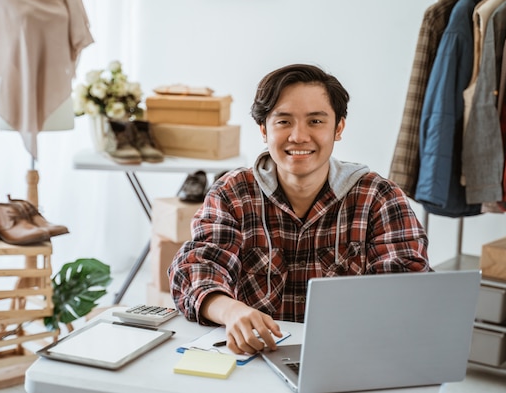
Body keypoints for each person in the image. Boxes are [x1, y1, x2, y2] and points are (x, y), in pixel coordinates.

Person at [168, 63, 430, 356]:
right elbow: (197, 267)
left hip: (345, 356)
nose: (299, 136)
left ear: (338, 128)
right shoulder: (232, 192)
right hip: (253, 359)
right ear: (264, 130)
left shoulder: (378, 196)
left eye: (316, 121)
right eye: (283, 122)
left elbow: (408, 286)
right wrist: (231, 311)